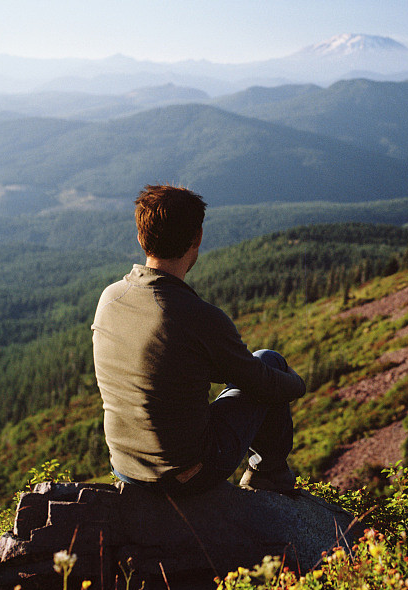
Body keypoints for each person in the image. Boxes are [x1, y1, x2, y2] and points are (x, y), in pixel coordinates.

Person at [92, 184, 306, 496]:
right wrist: (297, 383)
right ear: (198, 238)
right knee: (269, 360)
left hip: (125, 468)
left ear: (141, 238)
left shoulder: (110, 297)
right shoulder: (198, 317)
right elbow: (259, 382)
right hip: (186, 475)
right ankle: (268, 474)